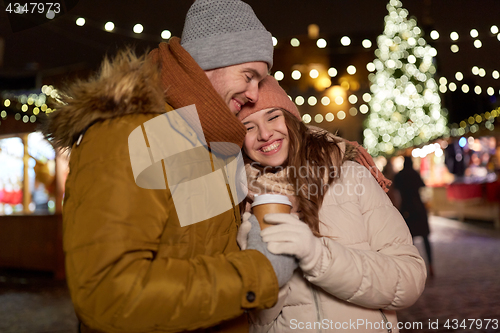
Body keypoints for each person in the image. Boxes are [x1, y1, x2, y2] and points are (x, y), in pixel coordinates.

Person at [42, 1, 297, 332]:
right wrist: (259, 272)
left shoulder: (211, 138)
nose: (253, 95)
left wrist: (337, 150)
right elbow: (109, 294)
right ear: (210, 60)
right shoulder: (128, 135)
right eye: (249, 77)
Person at [237, 76, 427, 332]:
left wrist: (317, 255)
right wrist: (263, 267)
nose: (265, 133)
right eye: (248, 127)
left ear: (292, 119)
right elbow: (258, 322)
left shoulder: (351, 176)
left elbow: (410, 281)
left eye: (273, 117)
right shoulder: (241, 201)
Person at [393, 156, 434, 277]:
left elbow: (396, 193)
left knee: (410, 241)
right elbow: (422, 186)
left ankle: (414, 269)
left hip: (406, 209)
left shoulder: (399, 176)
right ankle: (431, 265)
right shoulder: (415, 174)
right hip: (418, 208)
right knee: (425, 238)